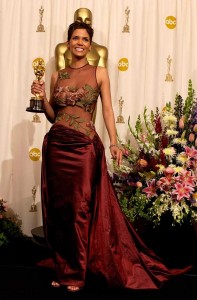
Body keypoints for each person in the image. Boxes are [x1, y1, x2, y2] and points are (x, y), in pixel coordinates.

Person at [31, 21, 192, 293]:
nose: (79, 42)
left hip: (83, 147)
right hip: (57, 145)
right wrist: (42, 97)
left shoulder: (100, 72)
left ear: (90, 44)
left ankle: (75, 273)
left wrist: (114, 142)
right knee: (60, 211)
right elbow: (52, 116)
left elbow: (106, 109)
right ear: (68, 42)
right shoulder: (58, 75)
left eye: (84, 39)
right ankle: (63, 266)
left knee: (79, 209)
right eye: (75, 38)